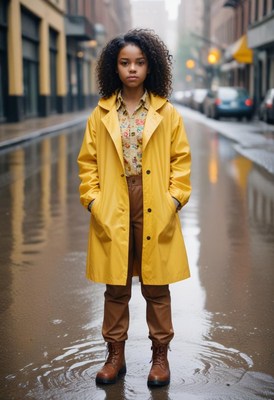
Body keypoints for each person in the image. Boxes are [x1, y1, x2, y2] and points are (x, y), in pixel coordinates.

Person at [77, 28, 191, 387]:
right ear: (115, 67)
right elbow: (88, 164)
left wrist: (173, 199)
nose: (132, 69)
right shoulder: (100, 114)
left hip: (155, 202)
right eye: (125, 62)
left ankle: (160, 358)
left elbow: (181, 162)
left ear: (150, 66)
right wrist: (95, 202)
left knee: (157, 286)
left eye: (139, 62)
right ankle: (115, 356)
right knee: (116, 286)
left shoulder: (166, 113)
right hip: (114, 202)